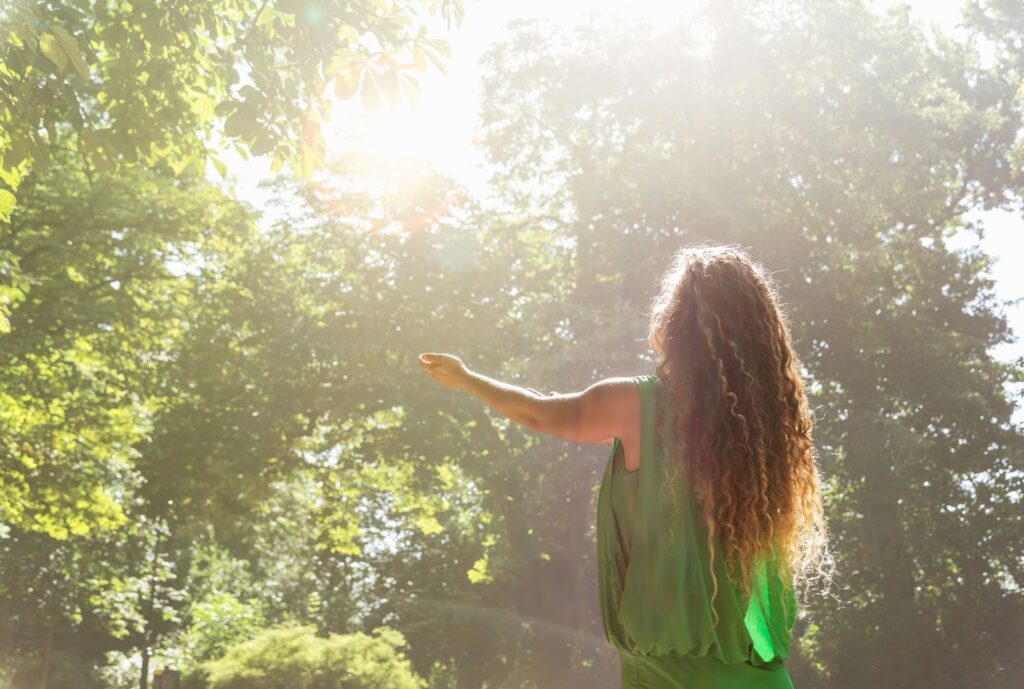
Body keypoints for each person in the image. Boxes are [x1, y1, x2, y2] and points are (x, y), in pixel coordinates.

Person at [419, 243, 832, 688]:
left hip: (671, 678)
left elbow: (543, 412)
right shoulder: (761, 437)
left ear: (674, 323)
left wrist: (466, 378)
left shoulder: (637, 404)